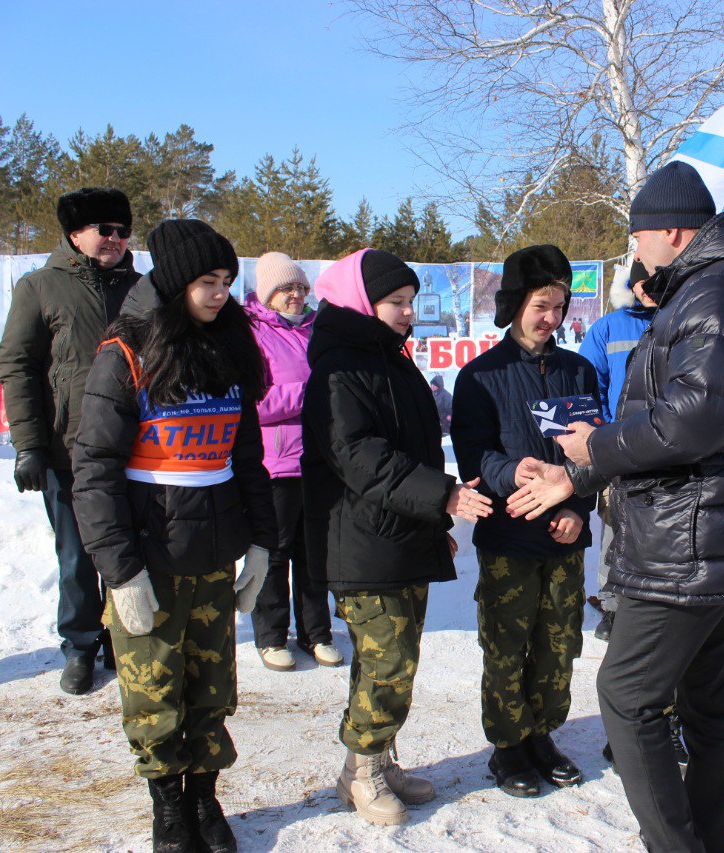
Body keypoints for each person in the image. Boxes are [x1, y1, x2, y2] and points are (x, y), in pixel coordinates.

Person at [507, 161, 724, 853]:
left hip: (691, 542)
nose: (635, 251)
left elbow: (693, 420)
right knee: (703, 699)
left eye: (637, 238)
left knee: (628, 695)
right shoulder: (720, 286)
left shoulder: (719, 292)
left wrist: (594, 449)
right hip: (712, 536)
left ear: (669, 230)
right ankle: (703, 839)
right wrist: (583, 471)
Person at [71, 219, 276, 852]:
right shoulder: (125, 354)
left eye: (225, 282)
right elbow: (94, 470)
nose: (218, 294)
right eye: (205, 283)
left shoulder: (232, 350)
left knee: (211, 688)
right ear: (173, 282)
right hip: (149, 560)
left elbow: (247, 457)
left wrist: (263, 545)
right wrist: (120, 570)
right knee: (153, 690)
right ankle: (168, 806)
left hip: (213, 557)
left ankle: (205, 798)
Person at [302, 248, 491, 826]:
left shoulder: (391, 359)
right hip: (361, 542)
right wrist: (445, 497)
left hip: (400, 533)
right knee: (386, 664)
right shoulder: (340, 368)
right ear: (363, 303)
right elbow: (362, 459)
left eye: (411, 302)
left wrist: (434, 522)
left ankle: (376, 758)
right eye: (397, 303)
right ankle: (362, 774)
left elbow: (415, 451)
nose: (409, 313)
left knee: (396, 661)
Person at [451, 244, 599, 799]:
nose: (552, 318)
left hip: (564, 537)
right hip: (509, 535)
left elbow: (596, 453)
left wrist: (576, 508)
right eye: (541, 304)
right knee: (507, 644)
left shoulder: (578, 370)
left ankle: (542, 736)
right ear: (515, 304)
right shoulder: (480, 377)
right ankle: (508, 748)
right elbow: (474, 456)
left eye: (560, 306)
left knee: (559, 645)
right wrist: (514, 471)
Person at [0, 187, 141, 694]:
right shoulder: (40, 287)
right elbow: (16, 366)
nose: (116, 240)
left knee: (130, 548)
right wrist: (29, 444)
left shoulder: (142, 290)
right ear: (75, 234)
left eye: (124, 232)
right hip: (68, 446)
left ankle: (127, 641)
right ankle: (80, 645)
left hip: (135, 446)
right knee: (79, 555)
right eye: (105, 230)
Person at [243, 253, 342, 672]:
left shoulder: (318, 329)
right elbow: (256, 403)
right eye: (287, 288)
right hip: (275, 463)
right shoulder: (250, 334)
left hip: (318, 459)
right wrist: (311, 392)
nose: (297, 295)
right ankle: (270, 636)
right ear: (268, 294)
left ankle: (316, 632)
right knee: (275, 551)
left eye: (301, 287)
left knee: (314, 551)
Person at [577, 262, 657, 639]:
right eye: (640, 282)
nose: (647, 289)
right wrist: (609, 433)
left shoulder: (678, 319)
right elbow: (589, 384)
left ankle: (648, 601)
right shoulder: (606, 327)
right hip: (619, 446)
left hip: (664, 445)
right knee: (615, 524)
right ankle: (611, 605)